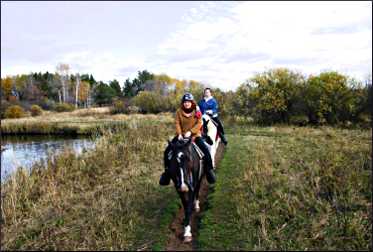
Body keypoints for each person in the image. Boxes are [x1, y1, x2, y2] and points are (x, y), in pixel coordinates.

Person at [159, 93, 216, 186]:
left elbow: (200, 123)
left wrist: (191, 131)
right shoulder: (179, 112)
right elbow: (177, 123)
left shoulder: (196, 111)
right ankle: (166, 174)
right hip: (181, 136)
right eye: (185, 102)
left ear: (192, 102)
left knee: (206, 150)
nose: (187, 104)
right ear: (183, 103)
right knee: (167, 151)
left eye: (188, 102)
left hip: (194, 135)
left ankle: (209, 171)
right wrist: (179, 134)